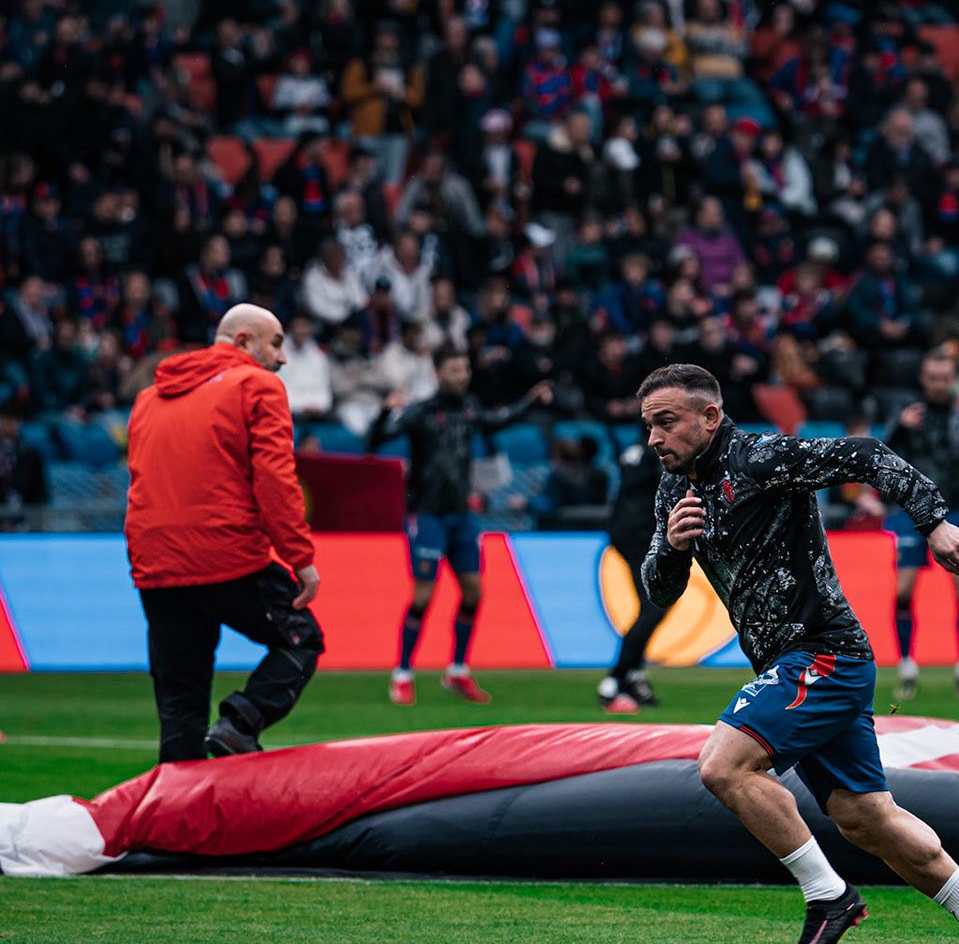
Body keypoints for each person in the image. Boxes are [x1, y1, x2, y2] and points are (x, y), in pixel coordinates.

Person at [638, 363, 959, 944]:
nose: (654, 439)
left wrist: (933, 520)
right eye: (649, 426)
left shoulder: (763, 460)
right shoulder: (673, 490)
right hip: (800, 666)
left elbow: (868, 455)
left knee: (723, 765)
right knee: (863, 816)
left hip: (824, 655)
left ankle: (828, 895)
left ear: (710, 417)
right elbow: (659, 592)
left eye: (666, 423)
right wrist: (671, 550)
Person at [125, 304, 326, 761]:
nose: (282, 358)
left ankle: (173, 825)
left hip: (156, 564)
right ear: (242, 342)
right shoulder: (257, 385)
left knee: (180, 704)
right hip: (224, 553)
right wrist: (301, 559)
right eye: (275, 343)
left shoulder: (149, 399)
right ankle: (240, 723)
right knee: (301, 640)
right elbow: (275, 479)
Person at [368, 346, 553, 707]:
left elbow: (497, 421)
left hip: (461, 516)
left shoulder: (468, 409)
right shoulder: (421, 413)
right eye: (455, 370)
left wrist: (530, 402)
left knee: (473, 593)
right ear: (439, 373)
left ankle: (457, 670)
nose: (462, 375)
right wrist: (383, 413)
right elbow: (376, 442)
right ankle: (402, 673)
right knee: (423, 596)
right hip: (428, 515)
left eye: (464, 369)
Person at [883, 352, 959, 699]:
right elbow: (881, 458)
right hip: (913, 514)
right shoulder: (911, 415)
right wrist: (898, 427)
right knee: (903, 593)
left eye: (945, 378)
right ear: (924, 379)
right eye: (933, 378)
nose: (939, 384)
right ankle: (907, 664)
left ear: (954, 378)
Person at [599, 435, 668, 712]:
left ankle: (632, 675)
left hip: (624, 530)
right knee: (654, 607)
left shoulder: (635, 449)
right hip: (640, 534)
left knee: (651, 605)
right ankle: (615, 681)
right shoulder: (660, 454)